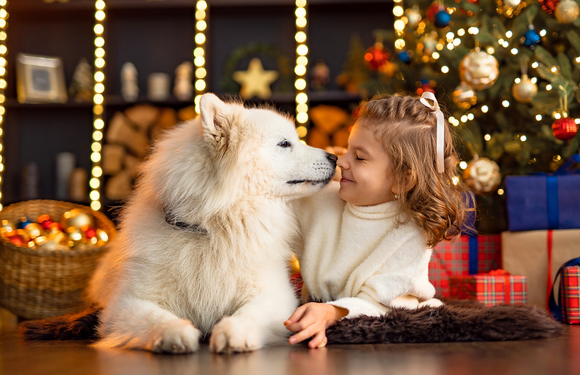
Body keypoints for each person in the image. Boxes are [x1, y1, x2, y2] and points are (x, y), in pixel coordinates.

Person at [285, 92, 474, 348]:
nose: (341, 161)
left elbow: (382, 304)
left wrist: (331, 313)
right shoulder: (321, 199)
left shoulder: (409, 231)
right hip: (318, 308)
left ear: (403, 179)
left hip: (381, 331)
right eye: (348, 149)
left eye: (360, 157)